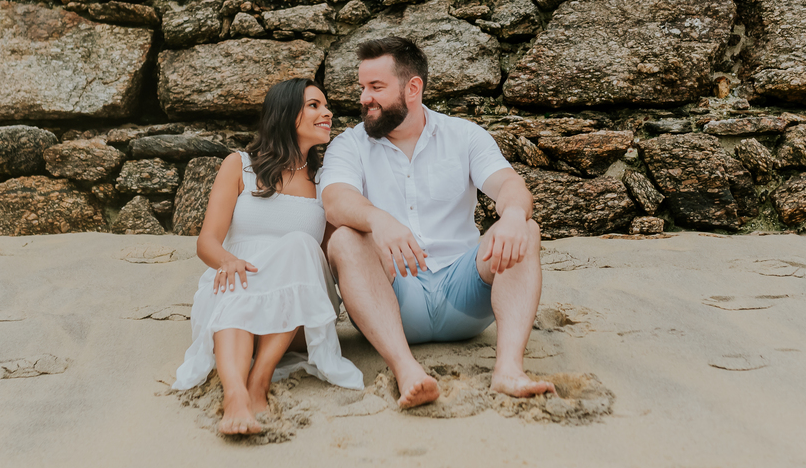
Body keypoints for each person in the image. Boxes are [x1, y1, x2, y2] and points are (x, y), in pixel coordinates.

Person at [319, 36, 554, 409]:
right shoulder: (350, 144)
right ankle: (406, 369)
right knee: (346, 238)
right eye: (362, 87)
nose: (364, 97)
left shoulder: (464, 135)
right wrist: (378, 219)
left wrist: (511, 214)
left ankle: (508, 370)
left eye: (376, 87)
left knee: (525, 227)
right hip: (394, 302)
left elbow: (510, 185)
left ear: (413, 88)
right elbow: (334, 200)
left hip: (465, 297)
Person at [172, 78, 363, 435]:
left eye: (326, 105)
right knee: (239, 282)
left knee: (298, 245)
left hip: (298, 315)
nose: (327, 113)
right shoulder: (239, 165)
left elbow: (329, 255)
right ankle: (236, 397)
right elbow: (207, 242)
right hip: (236, 285)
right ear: (286, 112)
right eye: (314, 105)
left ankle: (259, 382)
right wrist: (227, 261)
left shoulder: (325, 182)